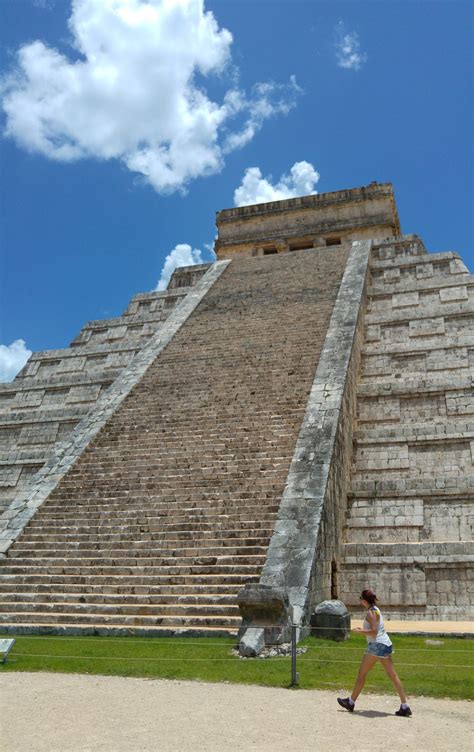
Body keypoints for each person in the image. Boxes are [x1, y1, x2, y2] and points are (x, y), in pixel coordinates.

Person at [337, 588, 412, 717]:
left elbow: (373, 632)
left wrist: (360, 631)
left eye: (361, 599)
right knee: (393, 675)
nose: (360, 601)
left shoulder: (371, 613)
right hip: (384, 643)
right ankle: (404, 705)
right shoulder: (376, 610)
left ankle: (351, 702)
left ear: (365, 601)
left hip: (375, 645)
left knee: (362, 673)